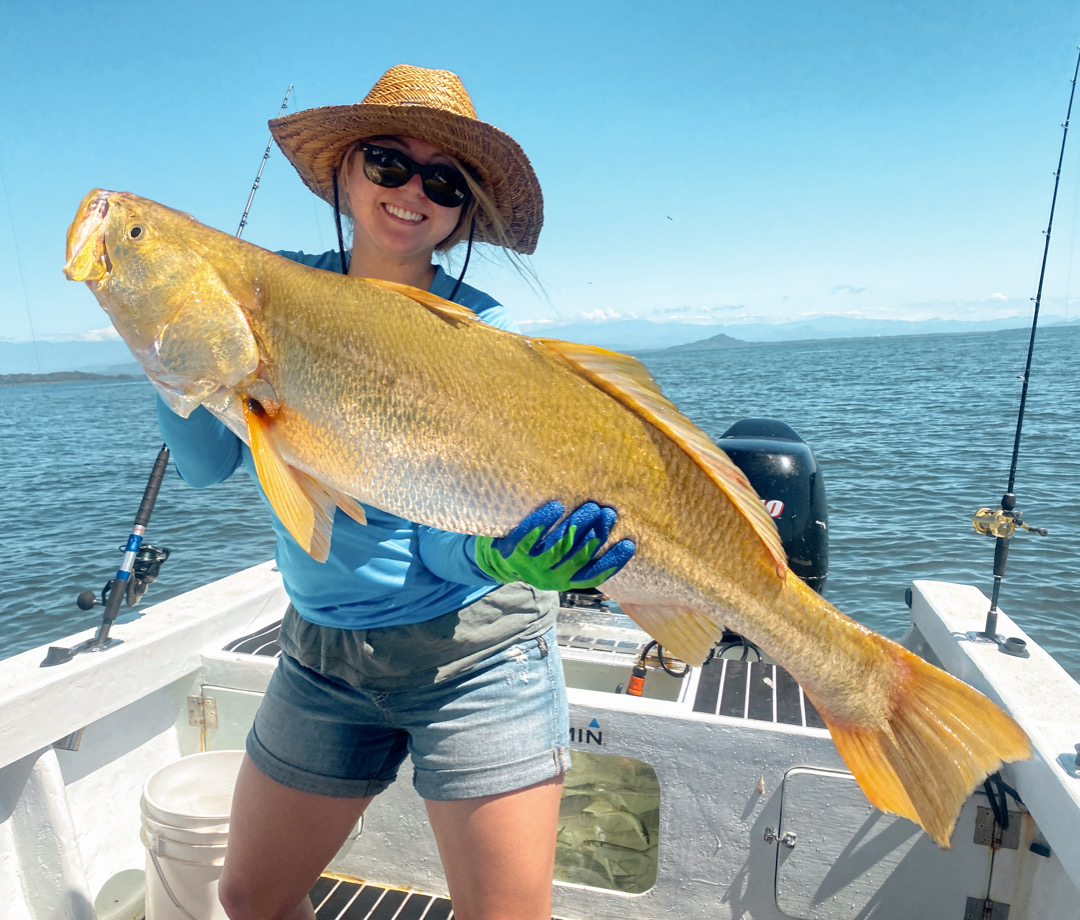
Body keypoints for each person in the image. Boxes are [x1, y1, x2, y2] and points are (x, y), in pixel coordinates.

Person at [155, 64, 634, 920]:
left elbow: (451, 507)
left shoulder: (482, 336)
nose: (413, 190)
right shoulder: (263, 291)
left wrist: (496, 550)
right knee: (249, 897)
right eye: (387, 163)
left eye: (443, 180)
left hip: (477, 656)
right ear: (343, 169)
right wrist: (172, 351)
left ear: (460, 214)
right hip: (321, 657)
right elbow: (205, 466)